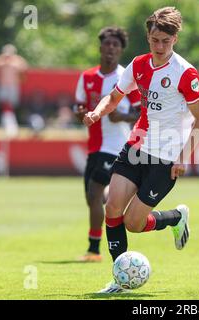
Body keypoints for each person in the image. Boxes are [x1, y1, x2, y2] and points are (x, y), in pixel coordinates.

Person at [83, 7, 199, 293]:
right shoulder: (138, 65)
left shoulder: (184, 72)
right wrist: (96, 113)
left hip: (166, 157)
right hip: (137, 146)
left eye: (165, 40)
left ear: (175, 39)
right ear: (148, 37)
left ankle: (175, 217)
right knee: (112, 206)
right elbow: (114, 97)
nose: (160, 46)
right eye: (155, 40)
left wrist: (183, 158)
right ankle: (119, 279)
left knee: (134, 223)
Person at [74, 27, 141, 262]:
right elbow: (78, 108)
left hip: (115, 146)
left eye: (116, 45)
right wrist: (80, 113)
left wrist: (121, 116)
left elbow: (141, 112)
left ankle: (94, 250)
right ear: (100, 47)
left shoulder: (126, 78)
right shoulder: (87, 77)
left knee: (93, 193)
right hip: (94, 146)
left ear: (121, 50)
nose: (111, 48)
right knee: (91, 197)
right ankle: (116, 198)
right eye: (108, 44)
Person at [0, 44, 28, 137]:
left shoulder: (17, 61)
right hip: (3, 86)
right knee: (5, 104)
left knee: (12, 104)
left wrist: (14, 61)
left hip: (13, 86)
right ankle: (6, 122)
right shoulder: (0, 60)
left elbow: (24, 67)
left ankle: (10, 123)